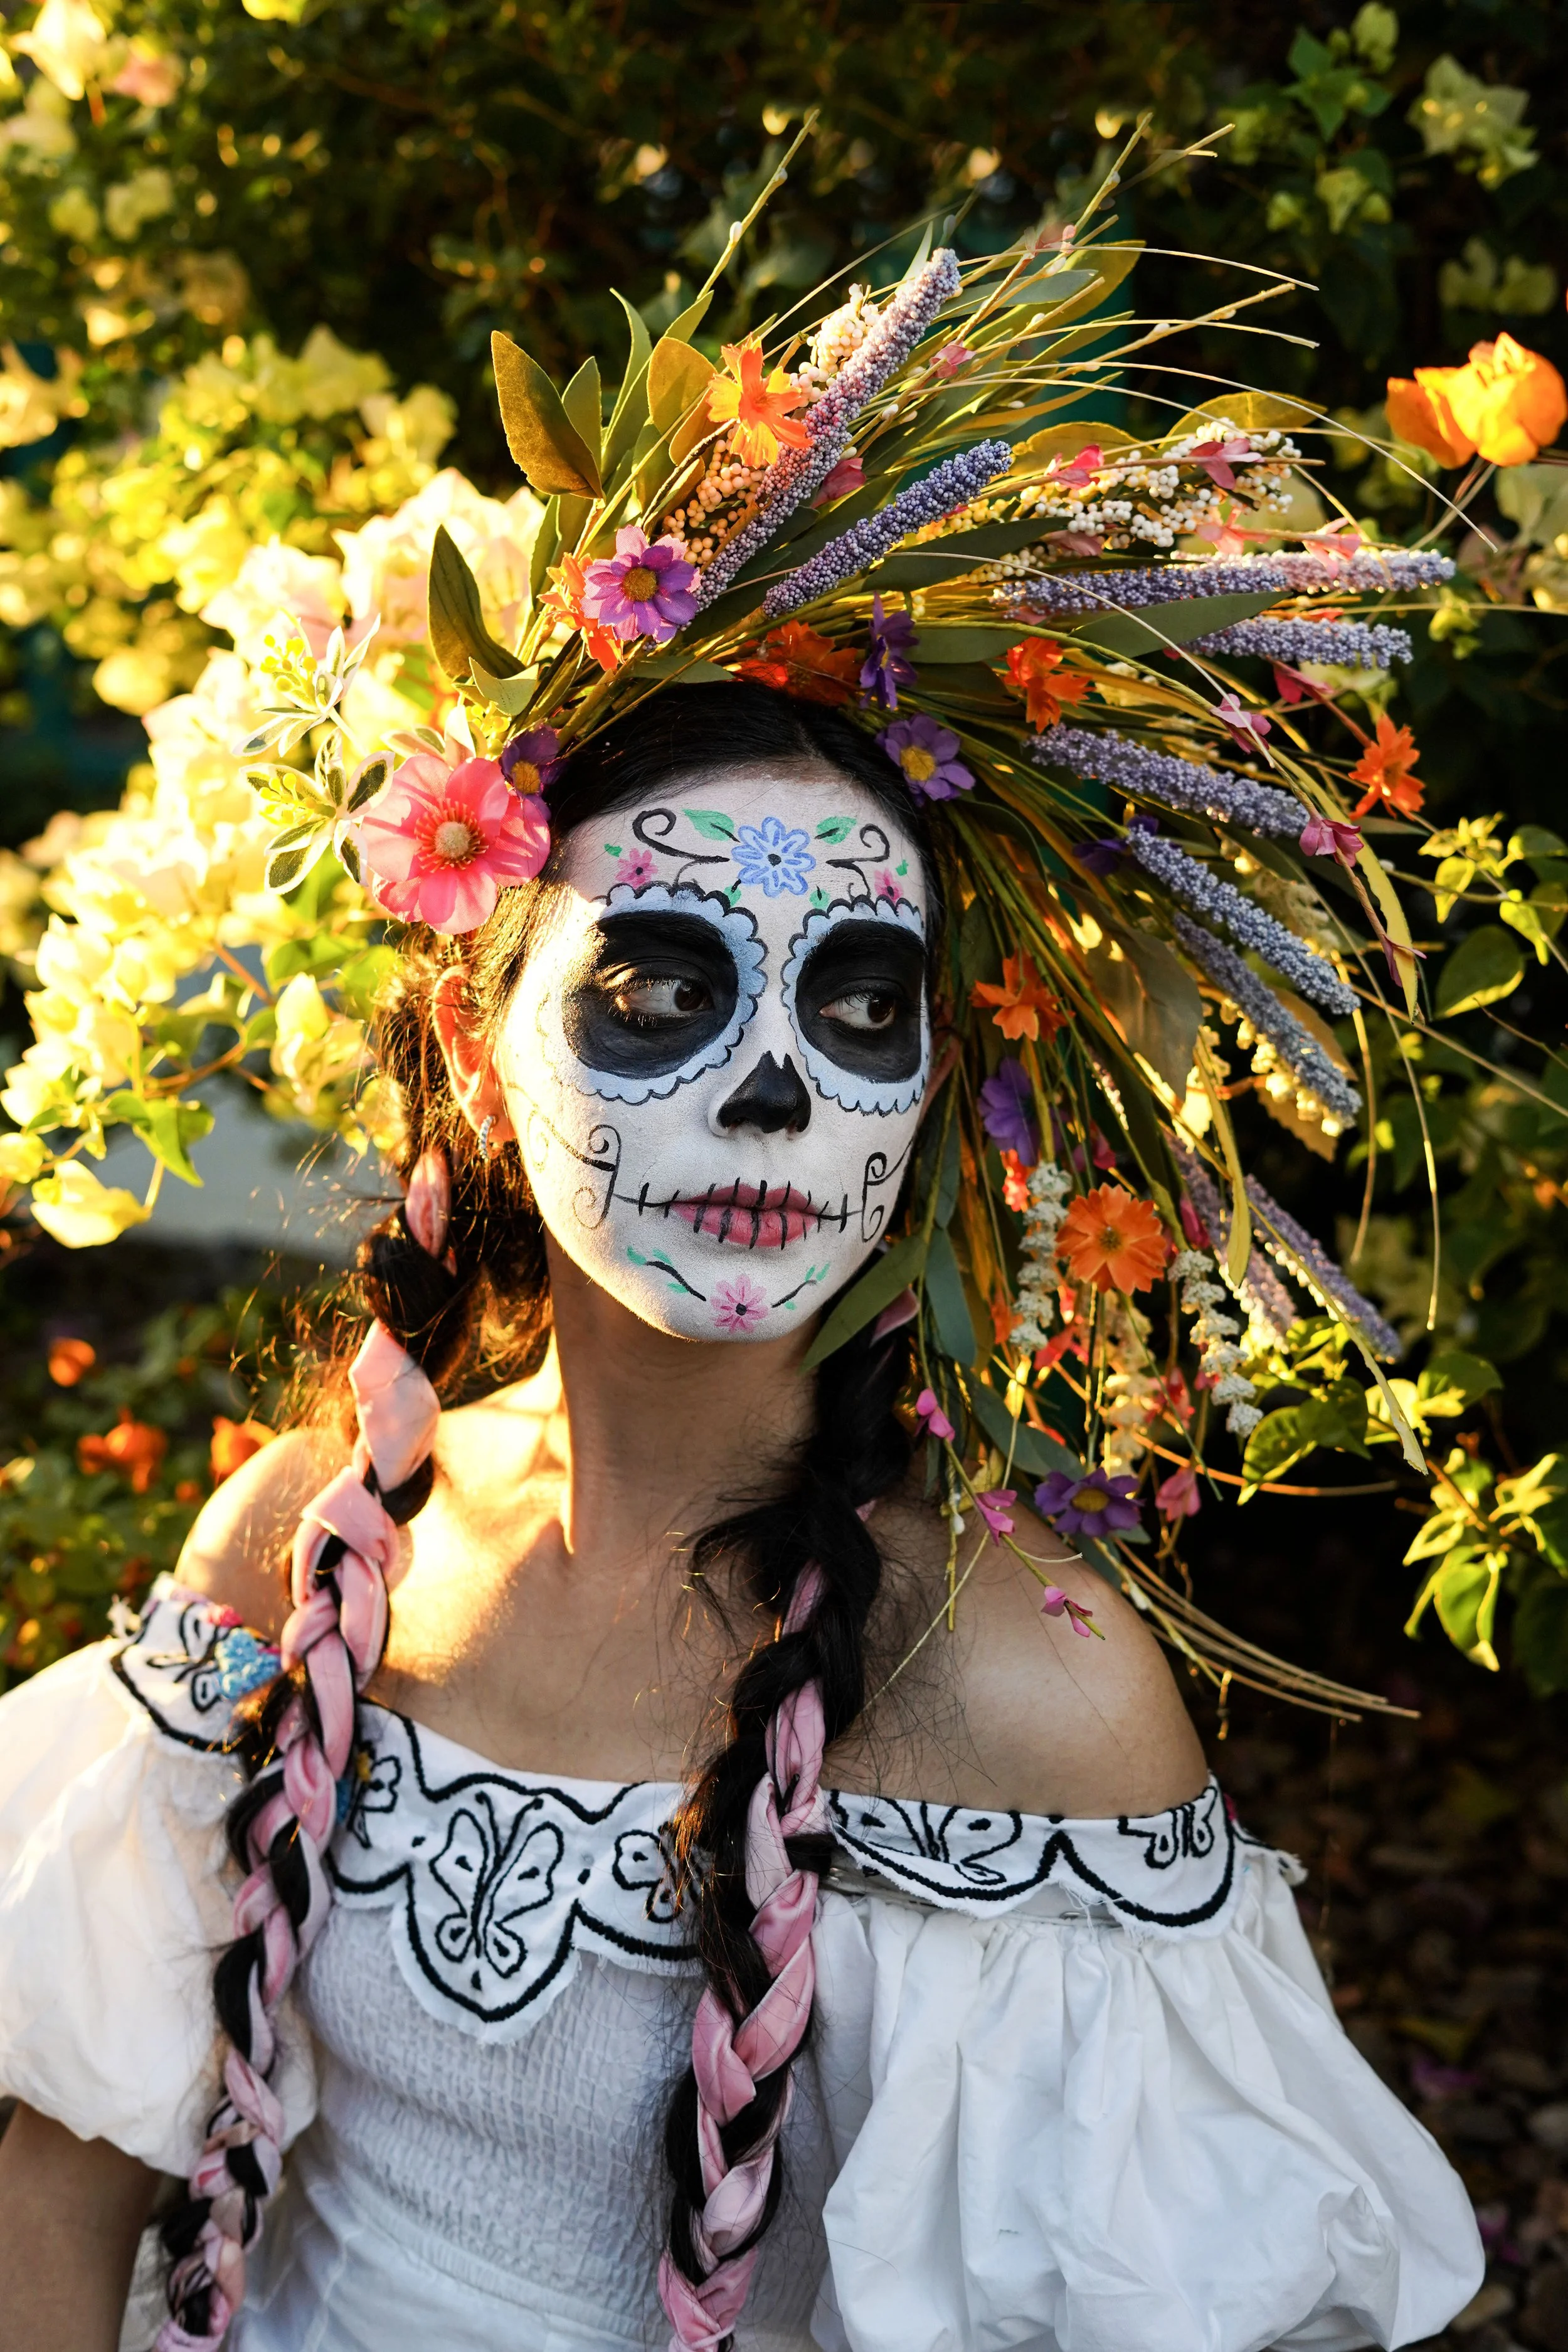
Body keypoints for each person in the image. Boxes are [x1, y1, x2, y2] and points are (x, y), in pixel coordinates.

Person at [0, 685, 1482, 2352]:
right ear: (473, 1055)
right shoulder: (308, 1542)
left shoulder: (1017, 1687)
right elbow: (59, 2192)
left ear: (923, 1093)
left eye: (859, 1006)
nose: (776, 1088)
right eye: (654, 989)